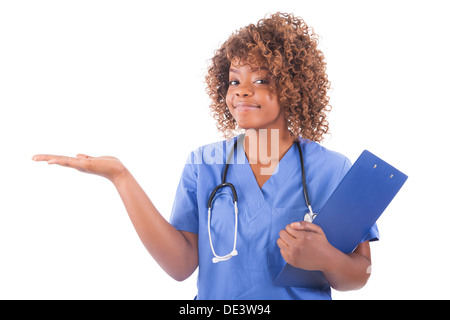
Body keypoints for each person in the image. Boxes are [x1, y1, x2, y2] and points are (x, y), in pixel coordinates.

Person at [33, 12, 378, 299]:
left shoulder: (332, 169)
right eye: (233, 81)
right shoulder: (204, 164)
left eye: (261, 79)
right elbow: (181, 266)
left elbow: (360, 272)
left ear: (293, 86)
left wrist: (327, 258)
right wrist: (120, 177)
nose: (242, 90)